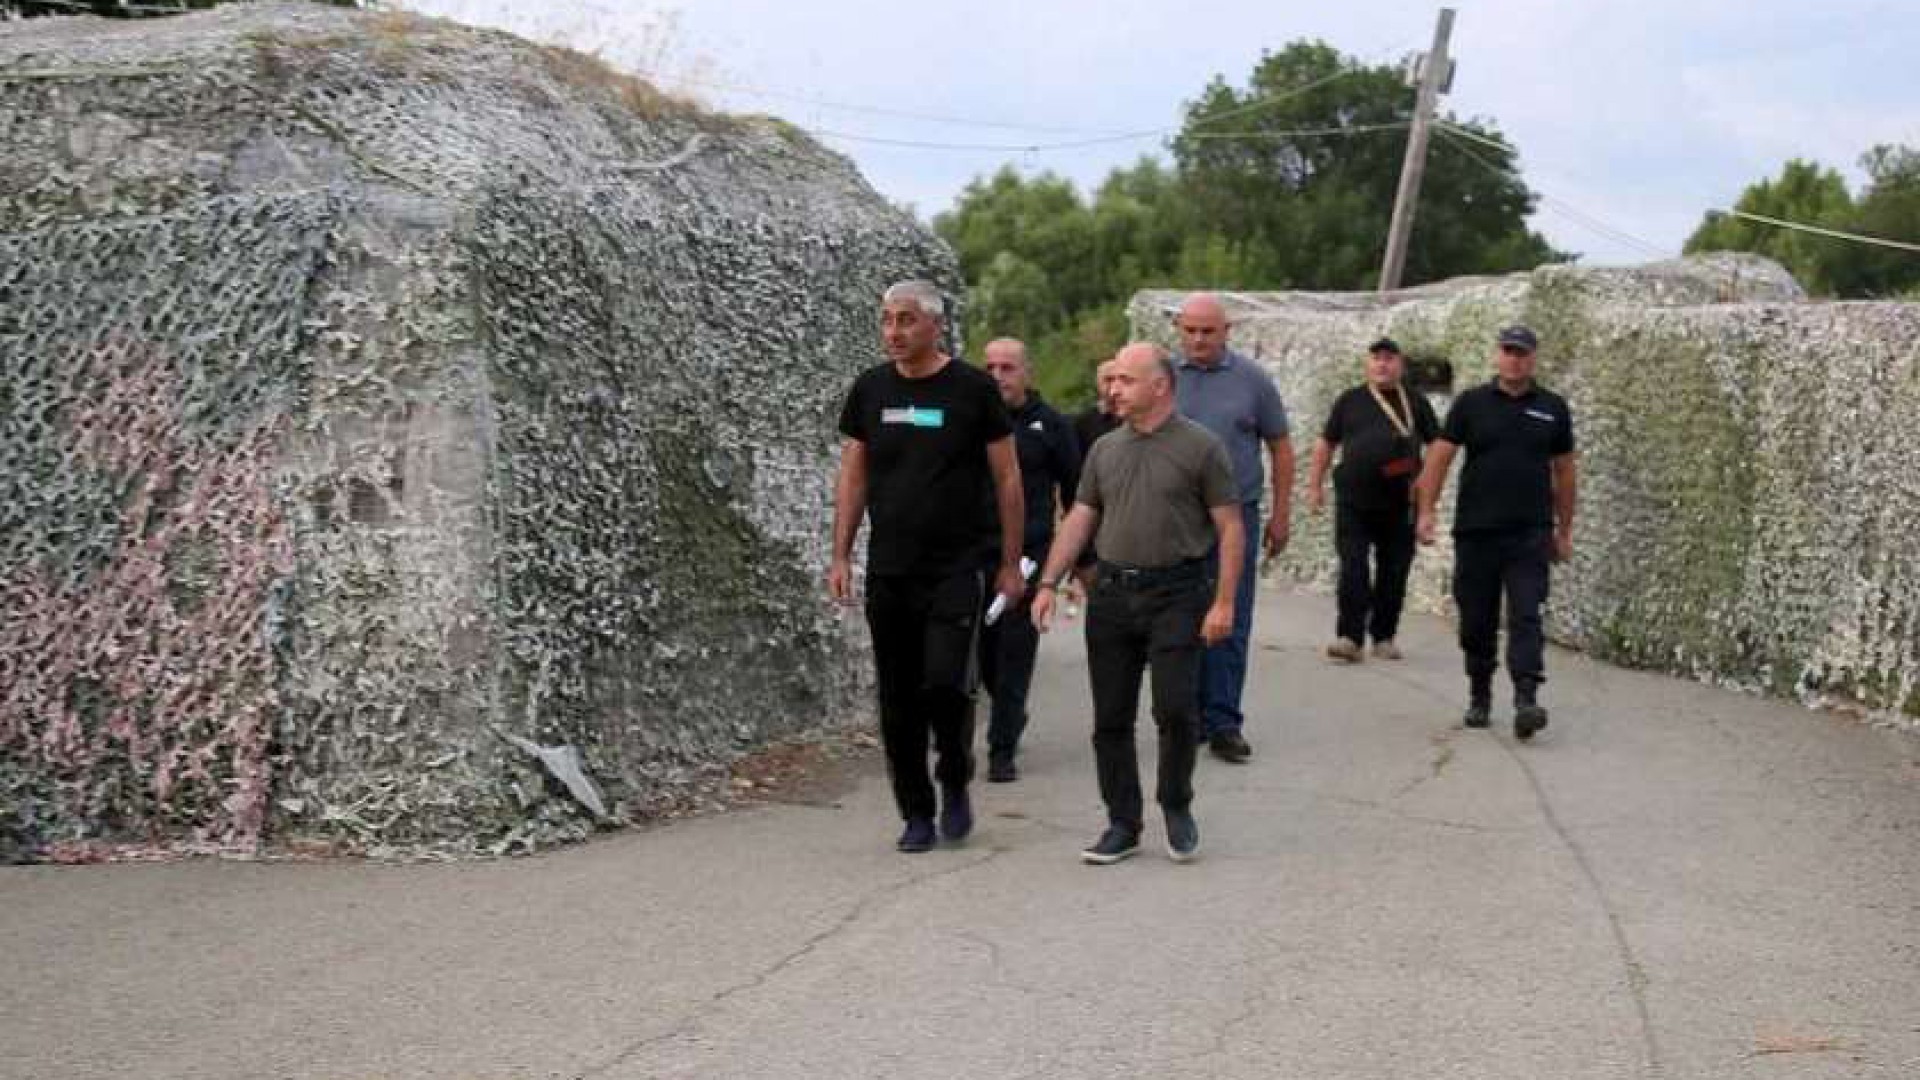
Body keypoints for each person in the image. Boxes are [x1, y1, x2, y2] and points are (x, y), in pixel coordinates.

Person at [829, 282, 1027, 852]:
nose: (894, 331)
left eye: (906, 320)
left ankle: (955, 777)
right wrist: (841, 554)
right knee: (898, 699)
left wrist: (1010, 563)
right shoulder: (871, 389)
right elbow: (854, 474)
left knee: (945, 683)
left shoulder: (972, 390)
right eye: (887, 320)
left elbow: (1007, 478)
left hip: (955, 567)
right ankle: (916, 812)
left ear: (935, 326)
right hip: (891, 569)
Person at [1031, 342, 1243, 865]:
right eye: (1113, 380)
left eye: (1125, 380)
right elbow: (1081, 516)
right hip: (1112, 594)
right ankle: (1122, 823)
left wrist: (1223, 603)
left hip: (1179, 593)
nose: (1113, 389)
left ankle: (1176, 804)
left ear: (1160, 386)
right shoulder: (1104, 449)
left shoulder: (1201, 447)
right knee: (1110, 718)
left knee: (1175, 709)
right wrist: (1049, 581)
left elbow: (1230, 528)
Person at [1415, 325, 1577, 740]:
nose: (1514, 359)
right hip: (1477, 531)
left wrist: (1564, 530)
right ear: (1497, 355)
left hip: (1530, 533)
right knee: (1476, 619)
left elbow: (1564, 471)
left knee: (1526, 614)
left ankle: (1526, 698)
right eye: (1508, 351)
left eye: (1522, 353)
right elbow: (1440, 458)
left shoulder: (1553, 408)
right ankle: (1480, 693)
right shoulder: (1471, 404)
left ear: (1533, 358)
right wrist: (1427, 510)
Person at [1171, 293, 1293, 763]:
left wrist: (1281, 514)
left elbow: (1280, 447)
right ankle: (1187, 717)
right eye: (1191, 330)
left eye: (1208, 331)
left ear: (1227, 331)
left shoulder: (1253, 381)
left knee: (1231, 616)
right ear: (1179, 330)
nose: (1199, 339)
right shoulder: (1164, 379)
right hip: (1177, 517)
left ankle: (1224, 721)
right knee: (1180, 618)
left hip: (1236, 516)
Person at [977, 338, 1081, 783]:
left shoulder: (1052, 426)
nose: (997, 376)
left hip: (1028, 557)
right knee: (984, 650)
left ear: (1027, 373)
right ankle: (1010, 713)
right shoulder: (972, 420)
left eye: (1007, 368)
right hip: (976, 551)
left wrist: (1074, 560)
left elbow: (1078, 494)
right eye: (990, 367)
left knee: (1015, 650)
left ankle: (1002, 749)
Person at [1306, 338, 1439, 662]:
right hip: (1354, 500)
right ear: (1368, 364)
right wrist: (1315, 486)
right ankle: (1350, 638)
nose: (1382, 364)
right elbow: (1327, 443)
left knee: (1394, 571)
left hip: (1401, 502)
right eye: (1377, 358)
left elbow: (1438, 446)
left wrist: (1428, 496)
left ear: (1400, 365)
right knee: (1353, 568)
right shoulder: (1350, 400)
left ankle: (1383, 636)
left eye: (1389, 359)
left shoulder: (1416, 402)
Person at [1069, 358, 1122, 591]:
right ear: (1098, 384)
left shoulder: (1137, 421)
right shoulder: (1083, 423)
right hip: (1095, 516)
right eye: (1107, 380)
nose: (1112, 386)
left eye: (1119, 379)